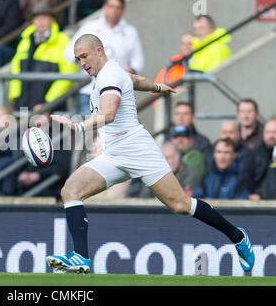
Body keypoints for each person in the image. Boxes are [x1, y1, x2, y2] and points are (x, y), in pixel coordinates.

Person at [46, 34, 254, 274]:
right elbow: (133, 80)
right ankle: (81, 257)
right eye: (78, 59)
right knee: (70, 190)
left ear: (99, 50)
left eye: (84, 56)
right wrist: (157, 87)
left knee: (180, 205)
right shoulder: (113, 72)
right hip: (113, 155)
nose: (82, 63)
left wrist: (79, 126)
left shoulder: (110, 77)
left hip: (139, 151)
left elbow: (110, 112)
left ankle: (238, 237)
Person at [64, 0, 144, 115]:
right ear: (104, 7)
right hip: (90, 90)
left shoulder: (130, 31)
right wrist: (83, 61)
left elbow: (138, 60)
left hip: (117, 91)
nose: (114, 11)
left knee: (115, 132)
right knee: (90, 132)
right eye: (111, 6)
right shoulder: (90, 27)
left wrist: (132, 70)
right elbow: (69, 53)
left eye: (118, 7)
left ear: (123, 10)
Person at [8, 2, 78, 111]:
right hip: (23, 102)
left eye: (44, 17)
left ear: (52, 19)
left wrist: (48, 102)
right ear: (33, 21)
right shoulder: (25, 41)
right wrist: (15, 95)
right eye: (37, 18)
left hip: (51, 108)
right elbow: (15, 68)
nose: (40, 22)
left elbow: (68, 74)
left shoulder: (63, 41)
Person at [16, 104, 72, 199]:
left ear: (49, 118)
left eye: (41, 113)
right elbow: (17, 162)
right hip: (26, 188)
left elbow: (63, 166)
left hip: (52, 190)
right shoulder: (25, 137)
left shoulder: (59, 138)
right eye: (34, 114)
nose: (37, 116)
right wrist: (23, 174)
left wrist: (38, 175)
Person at [132, 142, 201, 198]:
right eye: (163, 158)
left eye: (169, 158)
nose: (165, 161)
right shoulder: (156, 173)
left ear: (178, 158)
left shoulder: (191, 174)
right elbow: (144, 197)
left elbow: (187, 197)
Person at [215, 121, 256, 191]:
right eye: (224, 132)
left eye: (231, 132)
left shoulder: (247, 154)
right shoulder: (213, 150)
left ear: (238, 134)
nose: (227, 136)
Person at [252, 119, 276, 191]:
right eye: (268, 132)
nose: (271, 136)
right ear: (263, 133)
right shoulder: (253, 154)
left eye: (275, 132)